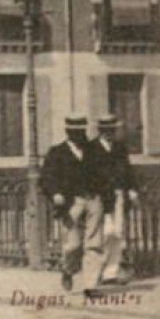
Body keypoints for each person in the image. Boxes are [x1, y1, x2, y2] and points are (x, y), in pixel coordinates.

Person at [40, 115, 106, 292]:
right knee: (73, 244)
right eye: (74, 132)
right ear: (67, 132)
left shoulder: (93, 150)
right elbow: (47, 177)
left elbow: (105, 173)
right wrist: (56, 194)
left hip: (94, 199)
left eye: (81, 131)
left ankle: (90, 285)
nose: (79, 135)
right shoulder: (57, 152)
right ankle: (68, 270)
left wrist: (105, 195)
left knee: (94, 243)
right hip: (72, 202)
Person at [93, 114, 141, 286]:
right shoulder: (92, 148)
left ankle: (110, 273)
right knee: (105, 233)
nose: (109, 133)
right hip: (99, 198)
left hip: (118, 195)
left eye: (112, 130)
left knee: (118, 233)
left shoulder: (120, 148)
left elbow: (128, 171)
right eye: (106, 130)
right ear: (100, 131)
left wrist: (132, 190)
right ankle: (97, 269)